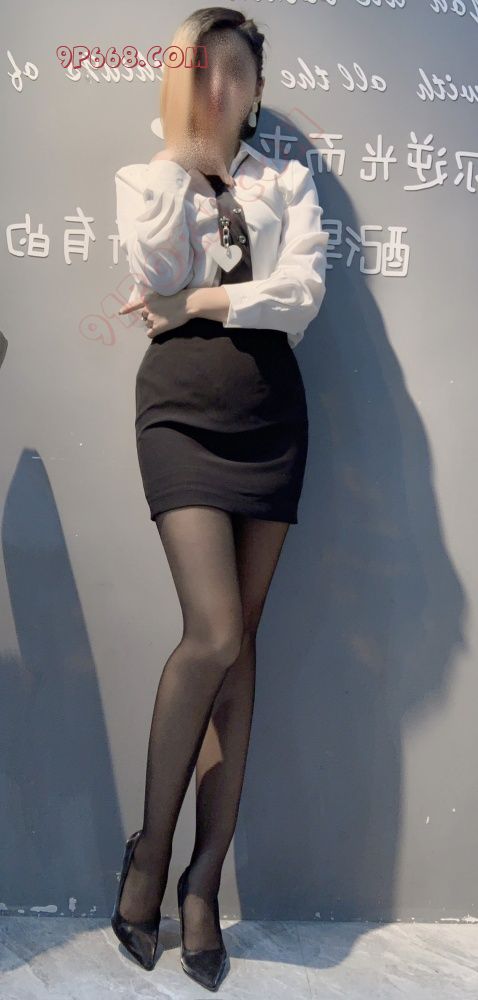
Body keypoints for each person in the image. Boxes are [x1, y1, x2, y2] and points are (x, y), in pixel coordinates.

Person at [111, 5, 329, 990]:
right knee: (212, 632)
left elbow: (300, 296)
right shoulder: (145, 177)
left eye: (236, 72)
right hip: (181, 413)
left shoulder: (287, 182)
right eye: (202, 71)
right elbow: (152, 264)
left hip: (270, 414)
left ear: (256, 88)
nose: (220, 88)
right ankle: (149, 855)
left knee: (243, 649)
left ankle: (202, 883)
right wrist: (181, 153)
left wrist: (198, 302)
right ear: (179, 80)